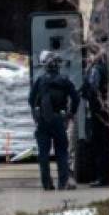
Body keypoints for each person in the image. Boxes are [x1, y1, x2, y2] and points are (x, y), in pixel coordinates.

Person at [29, 53, 80, 191]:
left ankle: (46, 183)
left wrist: (35, 114)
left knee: (43, 154)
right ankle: (63, 182)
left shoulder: (40, 81)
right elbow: (76, 98)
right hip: (59, 119)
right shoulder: (65, 81)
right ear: (58, 67)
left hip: (43, 120)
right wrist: (71, 113)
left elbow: (31, 99)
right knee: (62, 152)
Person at [82, 54, 109, 187]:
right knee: (106, 146)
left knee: (99, 145)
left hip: (98, 112)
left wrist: (85, 92)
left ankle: (101, 178)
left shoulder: (96, 70)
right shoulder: (107, 68)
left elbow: (93, 89)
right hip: (106, 112)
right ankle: (106, 176)